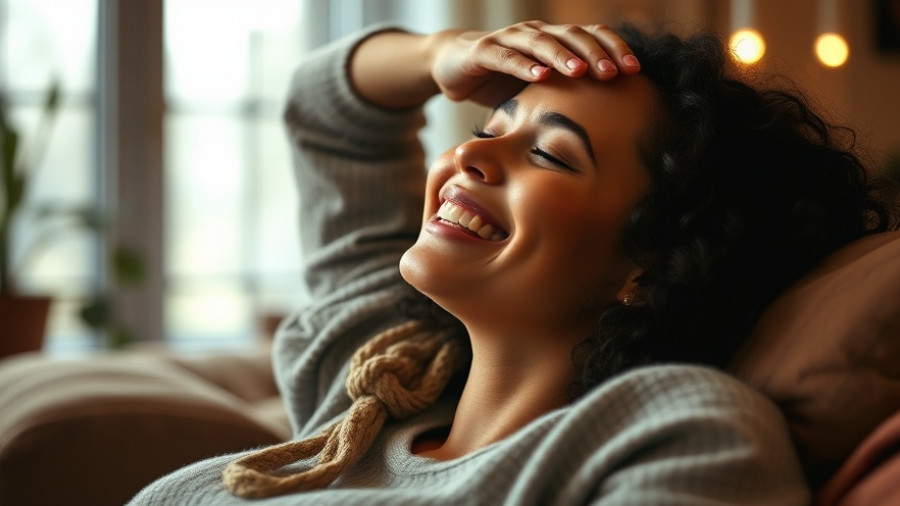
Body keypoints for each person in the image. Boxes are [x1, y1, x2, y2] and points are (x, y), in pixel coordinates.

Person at [131, 20, 896, 505]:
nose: (469, 152)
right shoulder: (376, 386)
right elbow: (332, 112)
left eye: (549, 155)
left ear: (652, 264)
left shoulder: (671, 427)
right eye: (491, 123)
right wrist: (443, 54)